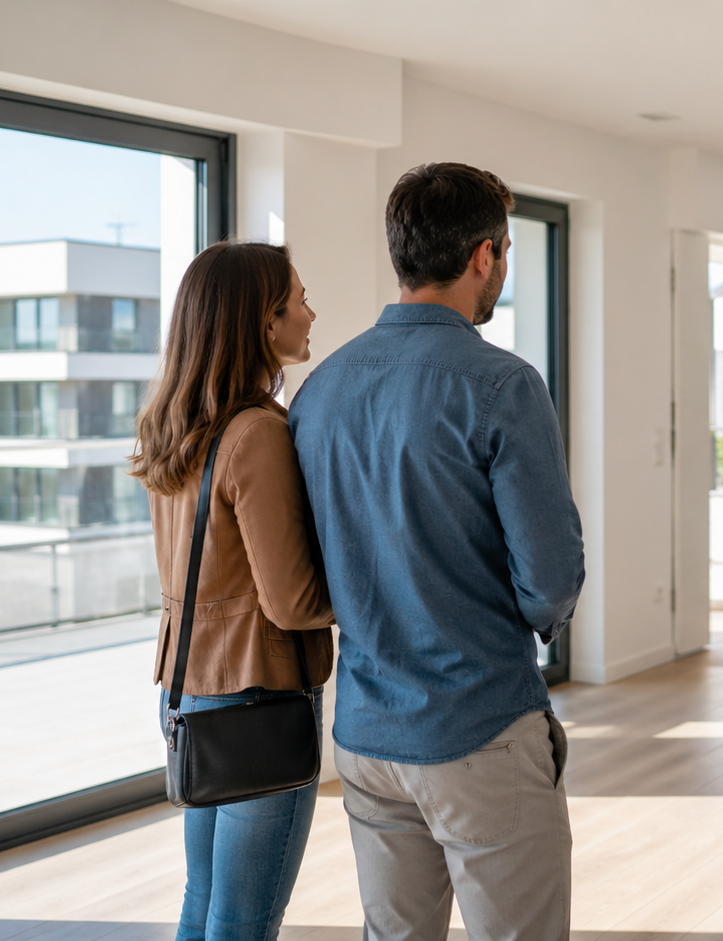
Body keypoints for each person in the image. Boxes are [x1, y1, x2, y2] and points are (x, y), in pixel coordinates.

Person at [289, 162, 584, 941]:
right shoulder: (503, 384)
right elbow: (550, 581)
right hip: (477, 725)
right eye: (507, 253)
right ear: (484, 255)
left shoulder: (319, 389)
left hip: (365, 732)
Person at [131, 240, 334, 941]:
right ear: (264, 323)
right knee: (244, 921)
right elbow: (291, 601)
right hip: (260, 693)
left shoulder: (175, 427)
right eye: (300, 299)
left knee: (205, 899)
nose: (312, 312)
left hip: (192, 689)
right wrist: (385, 594)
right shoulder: (257, 434)